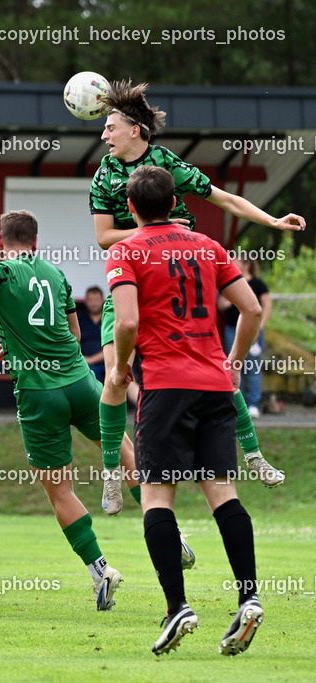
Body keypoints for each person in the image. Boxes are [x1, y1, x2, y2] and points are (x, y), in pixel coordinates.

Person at [0, 211, 138, 612]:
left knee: (60, 491)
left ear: (0, 239)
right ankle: (171, 532)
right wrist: (22, 343)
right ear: (36, 241)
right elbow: (75, 335)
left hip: (38, 393)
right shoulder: (55, 273)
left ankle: (101, 570)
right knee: (129, 454)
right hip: (82, 382)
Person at [91, 80, 303, 488]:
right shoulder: (104, 175)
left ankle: (254, 454)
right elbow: (103, 237)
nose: (104, 136)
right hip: (132, 282)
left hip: (175, 284)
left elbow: (224, 198)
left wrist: (273, 220)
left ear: (135, 129)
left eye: (110, 128)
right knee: (116, 377)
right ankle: (112, 472)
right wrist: (153, 230)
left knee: (217, 367)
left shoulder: (168, 163)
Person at [107, 165, 264, 656]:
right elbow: (252, 311)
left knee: (156, 496)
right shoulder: (209, 246)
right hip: (215, 386)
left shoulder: (126, 249)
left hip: (167, 385)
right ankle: (248, 596)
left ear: (131, 209)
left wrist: (123, 365)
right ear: (176, 202)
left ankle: (178, 606)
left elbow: (128, 319)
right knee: (222, 492)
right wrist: (232, 363)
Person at [219, 258, 271, 418]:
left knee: (253, 367)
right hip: (231, 330)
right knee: (233, 367)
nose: (232, 261)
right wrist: (224, 302)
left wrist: (259, 328)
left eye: (236, 259)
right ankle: (236, 406)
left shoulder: (258, 283)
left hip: (253, 331)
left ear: (246, 264)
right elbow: (219, 305)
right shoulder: (228, 282)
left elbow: (265, 307)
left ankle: (254, 404)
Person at [77, 286, 106, 383]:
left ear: (103, 300)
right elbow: (75, 340)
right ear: (85, 301)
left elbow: (115, 345)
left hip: (109, 362)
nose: (94, 303)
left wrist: (90, 359)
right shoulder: (78, 320)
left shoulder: (110, 319)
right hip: (85, 364)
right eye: (91, 300)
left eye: (96, 300)